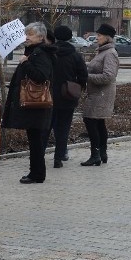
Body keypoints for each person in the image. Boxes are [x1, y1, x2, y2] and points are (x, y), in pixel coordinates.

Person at [2, 22, 55, 183]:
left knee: (36, 140)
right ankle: (35, 172)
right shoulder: (35, 52)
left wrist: (25, 63)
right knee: (34, 139)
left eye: (30, 34)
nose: (26, 37)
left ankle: (37, 174)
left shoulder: (39, 53)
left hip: (36, 105)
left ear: (41, 37)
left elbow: (41, 76)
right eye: (26, 34)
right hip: (35, 105)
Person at [48, 26, 88, 168]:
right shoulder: (75, 55)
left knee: (46, 126)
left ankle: (39, 155)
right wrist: (77, 85)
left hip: (49, 95)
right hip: (68, 95)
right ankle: (58, 158)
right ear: (70, 37)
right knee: (63, 127)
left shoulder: (49, 52)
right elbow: (84, 75)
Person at [80, 23, 119, 166]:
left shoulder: (110, 53)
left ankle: (96, 154)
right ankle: (101, 153)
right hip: (97, 93)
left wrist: (87, 76)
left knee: (91, 121)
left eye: (100, 35)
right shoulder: (102, 52)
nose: (97, 38)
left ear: (107, 38)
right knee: (98, 122)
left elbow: (109, 76)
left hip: (101, 94)